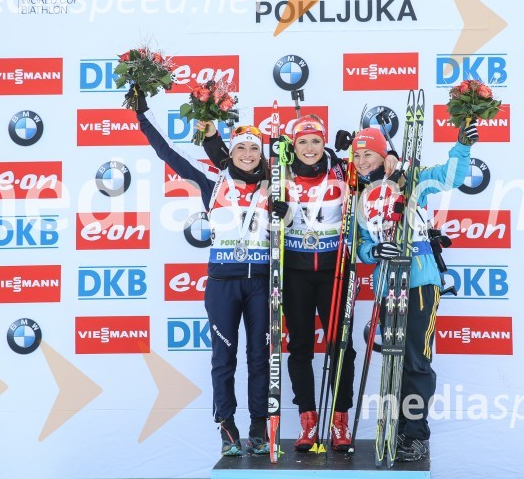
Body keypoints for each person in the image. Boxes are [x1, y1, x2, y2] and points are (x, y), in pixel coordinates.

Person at [197, 115, 397, 452]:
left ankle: (340, 421)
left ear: (324, 144)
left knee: (341, 348)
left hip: (336, 271)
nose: (309, 148)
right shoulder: (278, 174)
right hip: (295, 274)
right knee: (300, 347)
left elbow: (375, 171)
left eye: (315, 141)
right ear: (293, 146)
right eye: (302, 142)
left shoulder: (342, 171)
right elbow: (232, 162)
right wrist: (211, 133)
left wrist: (393, 158)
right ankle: (308, 420)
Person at [131, 87, 271, 457]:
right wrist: (143, 114)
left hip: (262, 284)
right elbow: (168, 152)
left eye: (253, 148)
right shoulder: (213, 184)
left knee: (259, 357)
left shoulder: (276, 188)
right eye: (240, 148)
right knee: (223, 360)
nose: (246, 154)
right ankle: (227, 427)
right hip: (223, 285)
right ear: (231, 153)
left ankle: (259, 427)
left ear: (262, 154)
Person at [354, 120, 479, 462]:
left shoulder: (411, 181)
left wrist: (462, 146)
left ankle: (415, 434)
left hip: (420, 282)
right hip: (387, 285)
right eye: (357, 155)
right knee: (393, 361)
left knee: (415, 361)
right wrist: (373, 252)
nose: (363, 160)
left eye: (369, 154)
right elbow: (362, 245)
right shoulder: (361, 197)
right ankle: (394, 427)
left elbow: (449, 176)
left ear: (383, 155)